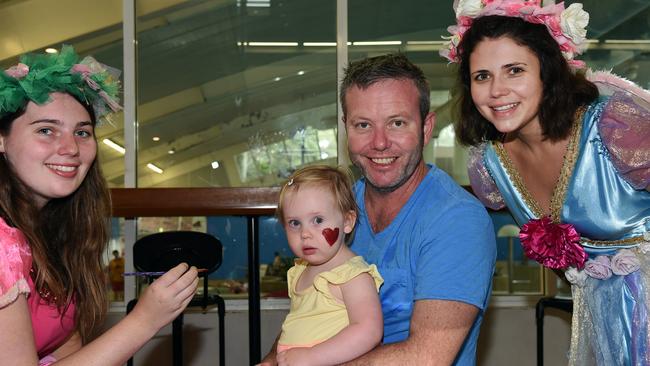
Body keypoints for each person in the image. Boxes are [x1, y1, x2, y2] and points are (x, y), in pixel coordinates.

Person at [442, 1, 650, 364]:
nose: (496, 90)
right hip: (606, 325)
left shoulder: (613, 127)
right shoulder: (492, 165)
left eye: (515, 70)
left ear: (547, 73)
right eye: (482, 76)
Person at [262, 54, 496, 365]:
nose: (380, 143)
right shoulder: (336, 207)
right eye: (363, 125)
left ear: (426, 128)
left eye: (397, 123)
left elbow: (427, 358)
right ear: (347, 129)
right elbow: (308, 313)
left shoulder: (457, 220)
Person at [0, 45, 199, 365]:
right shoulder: (1, 242)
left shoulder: (53, 230)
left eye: (82, 132)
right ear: (1, 139)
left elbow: (65, 344)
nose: (70, 148)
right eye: (46, 130)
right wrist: (145, 319)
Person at [274, 165, 384, 366]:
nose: (305, 233)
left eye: (317, 220)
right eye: (295, 223)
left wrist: (312, 356)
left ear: (347, 221)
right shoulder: (300, 272)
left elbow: (369, 330)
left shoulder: (352, 275)